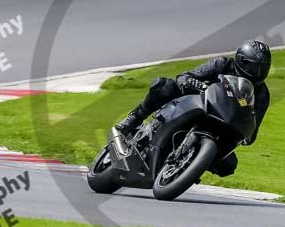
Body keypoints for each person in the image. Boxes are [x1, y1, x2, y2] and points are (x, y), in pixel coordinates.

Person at [115, 40, 271, 177]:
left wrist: (247, 134)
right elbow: (184, 76)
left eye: (263, 68)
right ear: (242, 61)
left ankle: (192, 164)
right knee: (164, 86)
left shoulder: (262, 94)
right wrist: (192, 83)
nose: (259, 73)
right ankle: (135, 117)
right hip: (198, 102)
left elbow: (253, 126)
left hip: (223, 123)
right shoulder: (222, 64)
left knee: (229, 165)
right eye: (255, 67)